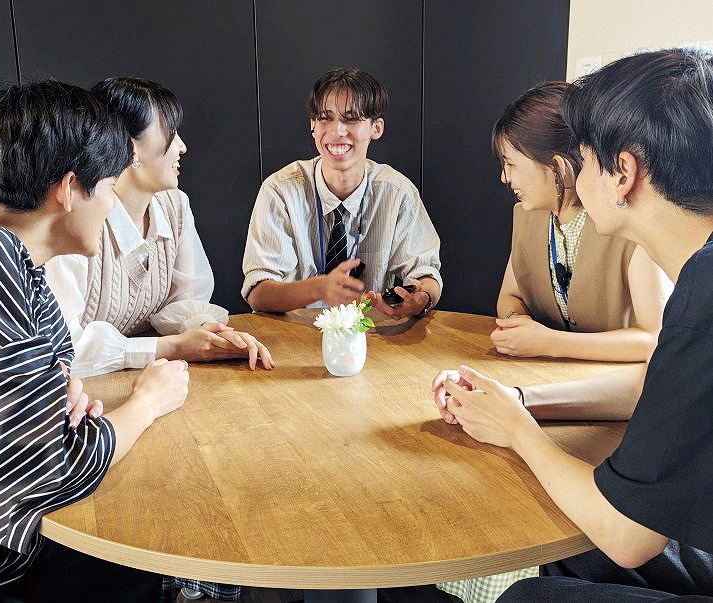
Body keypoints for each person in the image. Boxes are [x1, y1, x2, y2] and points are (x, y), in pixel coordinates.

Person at [432, 48, 713, 602]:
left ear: (623, 173)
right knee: (561, 551)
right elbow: (652, 388)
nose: (577, 178)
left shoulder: (703, 297)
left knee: (528, 596)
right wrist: (521, 400)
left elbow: (629, 536)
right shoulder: (700, 276)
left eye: (583, 160)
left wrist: (518, 431)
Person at [0, 81, 188, 602]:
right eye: (107, 188)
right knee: (135, 539)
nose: (110, 205)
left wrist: (48, 401)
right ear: (67, 190)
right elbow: (61, 471)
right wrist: (148, 401)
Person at [46, 77, 274, 380]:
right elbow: (61, 347)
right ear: (130, 147)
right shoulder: (75, 218)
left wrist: (212, 334)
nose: (182, 146)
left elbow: (186, 300)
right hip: (81, 394)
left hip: (152, 378)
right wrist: (170, 348)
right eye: (170, 131)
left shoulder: (174, 205)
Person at [490, 82, 671, 362]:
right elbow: (510, 297)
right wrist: (519, 325)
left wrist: (549, 342)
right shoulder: (526, 215)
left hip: (617, 389)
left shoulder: (627, 223)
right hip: (541, 377)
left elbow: (653, 337)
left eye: (511, 164)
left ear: (558, 166)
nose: (505, 177)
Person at [242, 67, 442, 319]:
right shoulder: (280, 190)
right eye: (325, 118)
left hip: (371, 337)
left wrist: (419, 299)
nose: (336, 131)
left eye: (351, 119)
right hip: (294, 336)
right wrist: (318, 289)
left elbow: (428, 275)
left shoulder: (397, 192)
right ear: (312, 125)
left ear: (376, 128)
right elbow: (258, 292)